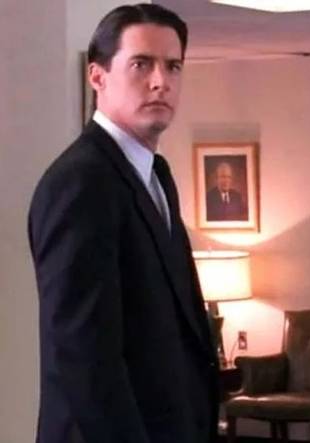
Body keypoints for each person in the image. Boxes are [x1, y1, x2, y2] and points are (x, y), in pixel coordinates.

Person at [28, 4, 219, 443]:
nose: (160, 81)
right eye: (141, 64)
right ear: (98, 76)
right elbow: (85, 356)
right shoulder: (81, 182)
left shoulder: (156, 175)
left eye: (173, 66)